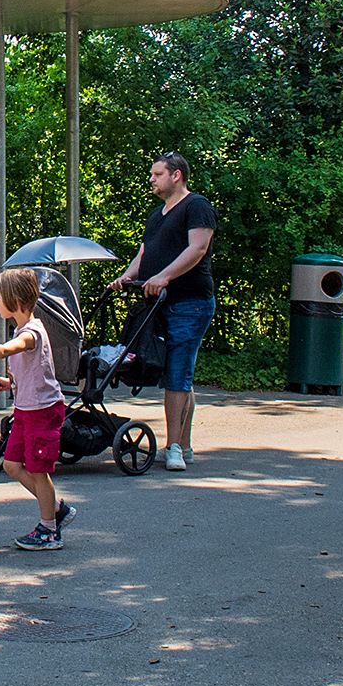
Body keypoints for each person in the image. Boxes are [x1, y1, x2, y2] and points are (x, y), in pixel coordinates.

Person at [0, 267, 73, 552]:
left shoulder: (30, 333)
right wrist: (11, 384)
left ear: (15, 300)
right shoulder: (23, 329)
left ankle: (49, 531)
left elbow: (6, 350)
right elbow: (35, 371)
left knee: (38, 470)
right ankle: (56, 509)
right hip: (26, 410)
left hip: (42, 412)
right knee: (11, 464)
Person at [117, 152, 216, 472]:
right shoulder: (156, 215)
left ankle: (173, 448)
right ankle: (183, 446)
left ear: (176, 176)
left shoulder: (196, 206)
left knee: (177, 373)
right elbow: (144, 252)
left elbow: (197, 248)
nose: (151, 179)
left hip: (190, 302)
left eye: (157, 174)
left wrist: (164, 277)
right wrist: (128, 276)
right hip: (159, 304)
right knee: (178, 374)